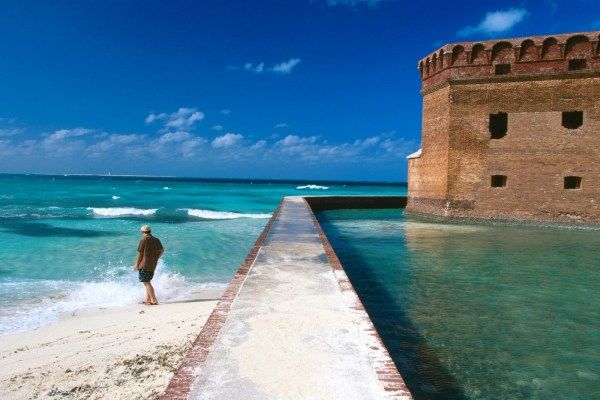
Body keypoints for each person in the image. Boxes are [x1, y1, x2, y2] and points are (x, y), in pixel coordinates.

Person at [133, 225, 164, 305]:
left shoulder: (143, 240)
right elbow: (162, 250)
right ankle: (147, 299)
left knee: (146, 282)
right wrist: (156, 258)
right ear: (150, 231)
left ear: (142, 232)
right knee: (148, 281)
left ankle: (153, 300)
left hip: (144, 265)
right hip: (152, 264)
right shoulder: (156, 239)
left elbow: (140, 253)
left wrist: (136, 264)